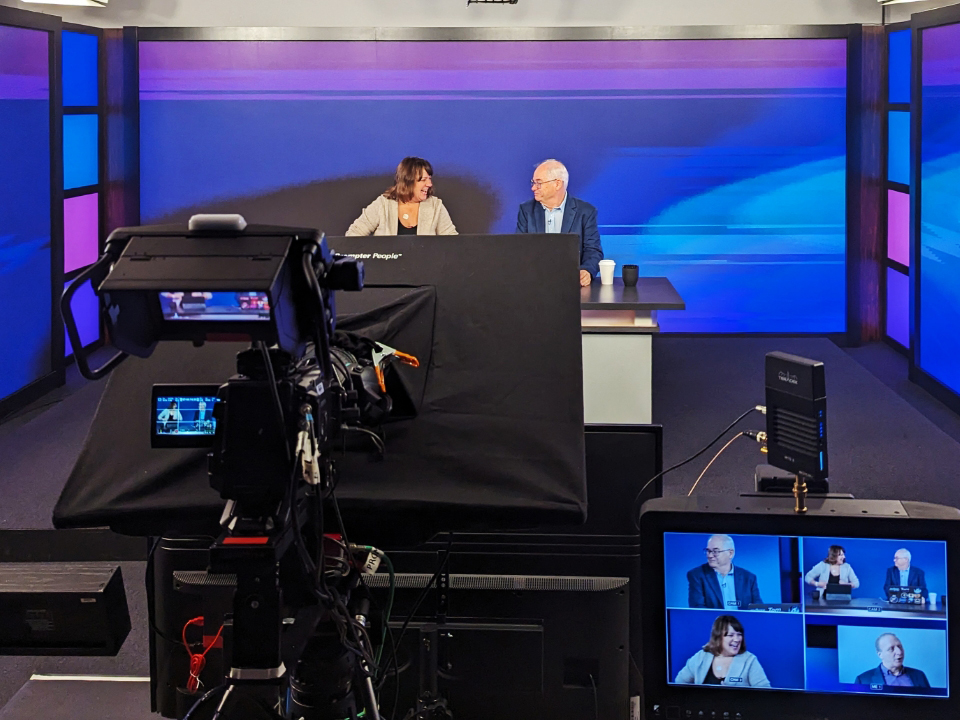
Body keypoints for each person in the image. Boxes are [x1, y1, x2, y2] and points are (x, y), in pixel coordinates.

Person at [516, 159, 603, 287]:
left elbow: (593, 251)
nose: (533, 188)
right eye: (533, 182)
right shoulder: (527, 210)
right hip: (534, 285)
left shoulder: (586, 212)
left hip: (571, 286)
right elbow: (519, 249)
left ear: (557, 184)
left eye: (539, 183)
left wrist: (586, 271)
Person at [346, 157, 457, 236]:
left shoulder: (436, 206)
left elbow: (453, 243)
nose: (429, 184)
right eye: (423, 180)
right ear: (408, 182)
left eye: (429, 179)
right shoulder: (383, 204)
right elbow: (353, 234)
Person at [674, 615, 771, 688]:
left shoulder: (749, 661)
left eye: (739, 634)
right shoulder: (701, 657)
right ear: (718, 637)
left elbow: (765, 693)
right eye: (731, 635)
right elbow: (679, 683)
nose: (737, 639)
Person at [687, 534, 763, 609]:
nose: (710, 555)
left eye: (715, 551)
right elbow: (698, 609)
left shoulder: (749, 578)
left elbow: (758, 607)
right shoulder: (697, 575)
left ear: (730, 553)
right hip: (713, 621)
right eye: (708, 551)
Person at [855, 633, 931, 688]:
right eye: (891, 649)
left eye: (900, 647)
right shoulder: (863, 680)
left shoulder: (919, 675)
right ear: (880, 654)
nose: (899, 652)